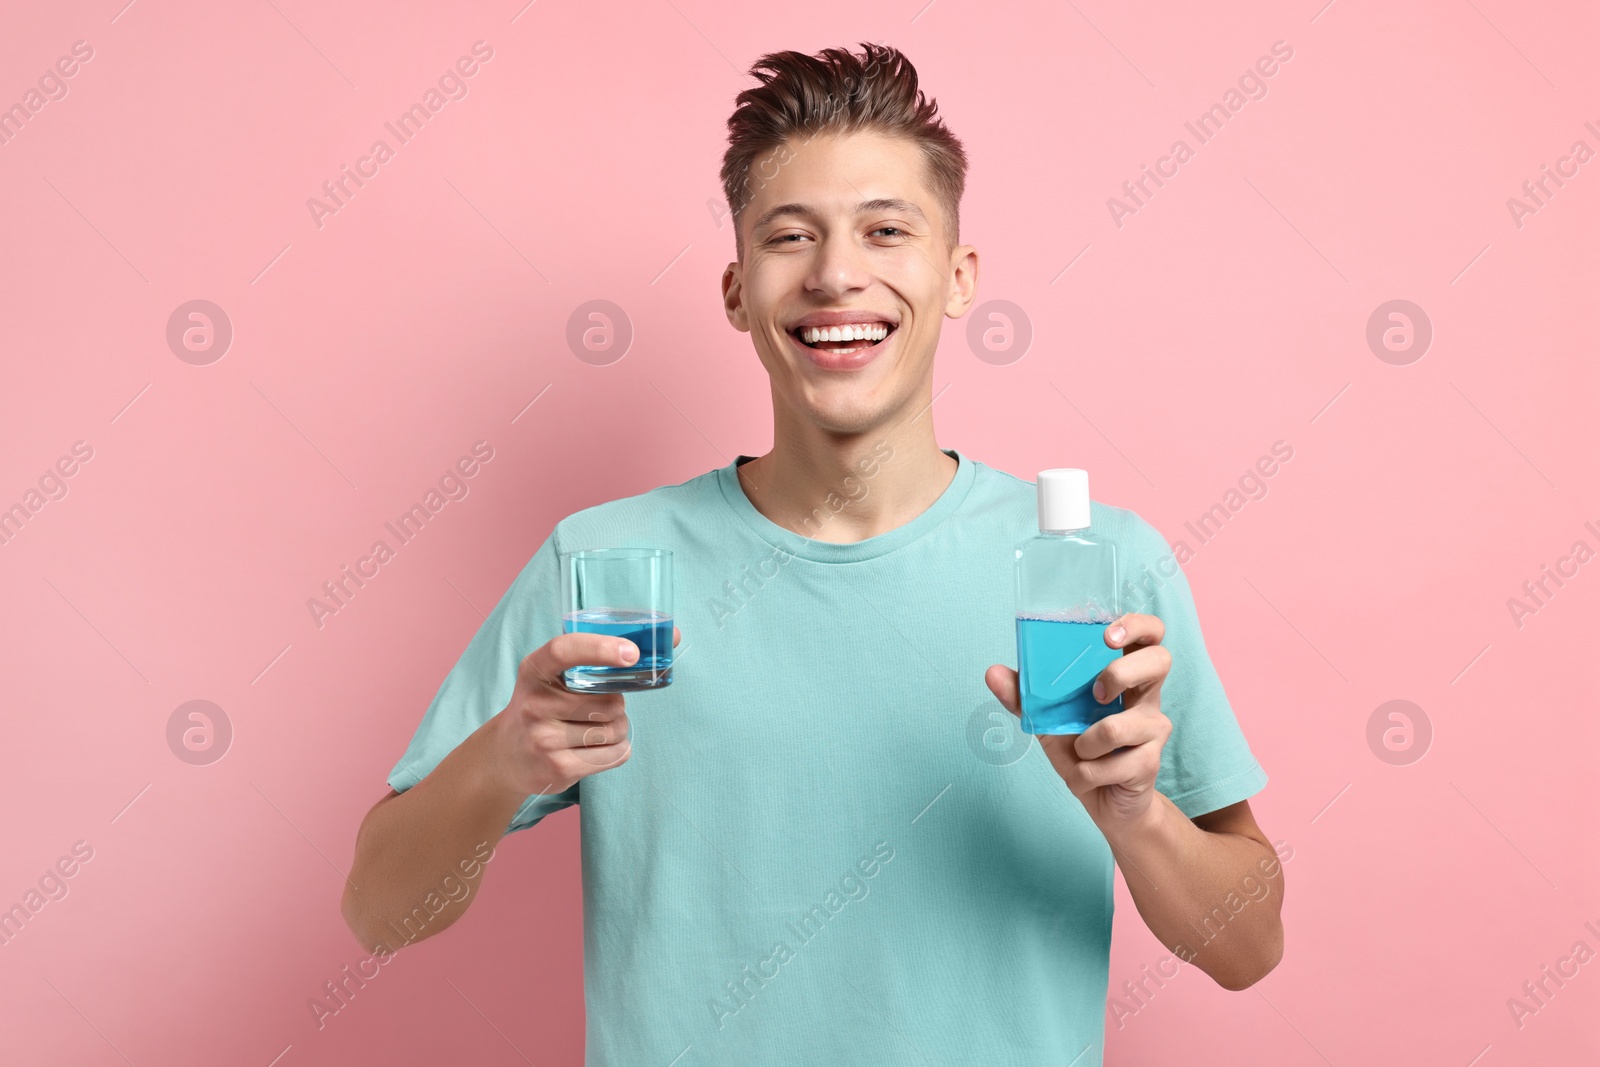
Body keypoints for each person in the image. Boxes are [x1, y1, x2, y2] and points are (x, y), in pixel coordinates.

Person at [343, 41, 1283, 1065]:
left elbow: (1246, 948)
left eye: (887, 230)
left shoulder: (1094, 568)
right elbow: (380, 913)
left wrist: (1136, 815)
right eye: (790, 238)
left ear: (959, 277)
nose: (837, 274)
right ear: (738, 290)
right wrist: (499, 760)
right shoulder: (607, 565)